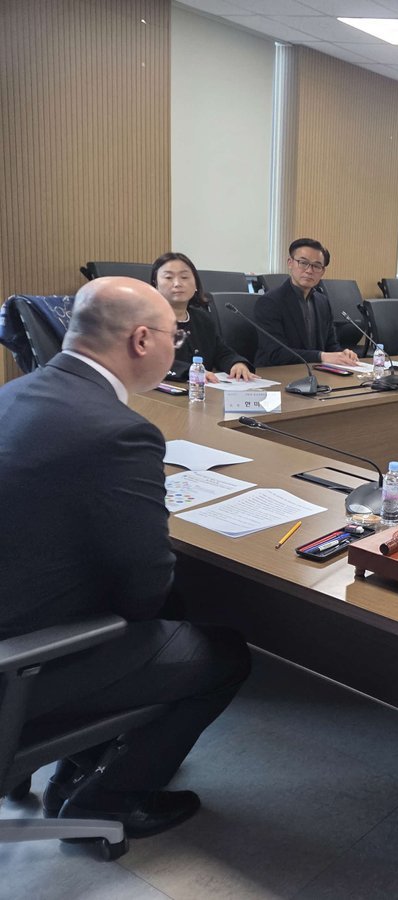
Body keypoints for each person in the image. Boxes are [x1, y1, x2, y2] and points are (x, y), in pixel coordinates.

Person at [0, 277, 251, 839]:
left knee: (174, 610)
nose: (176, 348)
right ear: (141, 340)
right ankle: (106, 803)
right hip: (22, 664)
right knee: (224, 654)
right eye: (174, 337)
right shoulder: (118, 431)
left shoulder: (14, 393)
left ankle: (79, 769)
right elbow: (144, 586)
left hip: (14, 613)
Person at [253, 238, 359, 368]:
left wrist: (342, 354)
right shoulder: (269, 302)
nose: (309, 270)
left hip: (314, 371)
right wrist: (321, 356)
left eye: (316, 266)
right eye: (303, 263)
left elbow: (330, 345)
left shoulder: (322, 301)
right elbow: (276, 353)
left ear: (322, 271)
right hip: (276, 373)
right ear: (290, 263)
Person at [151, 251, 253, 382]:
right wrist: (190, 371)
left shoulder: (202, 318)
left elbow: (221, 352)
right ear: (155, 284)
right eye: (168, 277)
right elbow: (152, 361)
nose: (177, 283)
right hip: (159, 390)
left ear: (196, 284)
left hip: (202, 391)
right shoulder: (147, 321)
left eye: (184, 277)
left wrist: (236, 363)